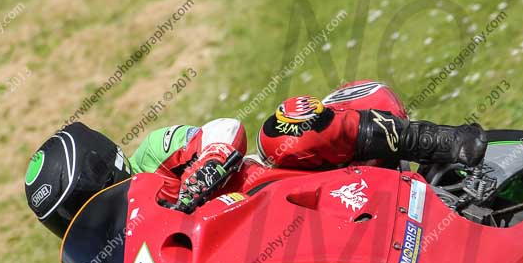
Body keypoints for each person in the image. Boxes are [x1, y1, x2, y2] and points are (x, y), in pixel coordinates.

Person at [24, 80, 487, 238]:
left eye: (80, 206)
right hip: (255, 253)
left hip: (286, 188)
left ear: (104, 174)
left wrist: (206, 171)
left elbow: (224, 130)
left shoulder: (152, 155)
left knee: (285, 128)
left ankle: (444, 142)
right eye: (67, 222)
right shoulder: (117, 255)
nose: (82, 222)